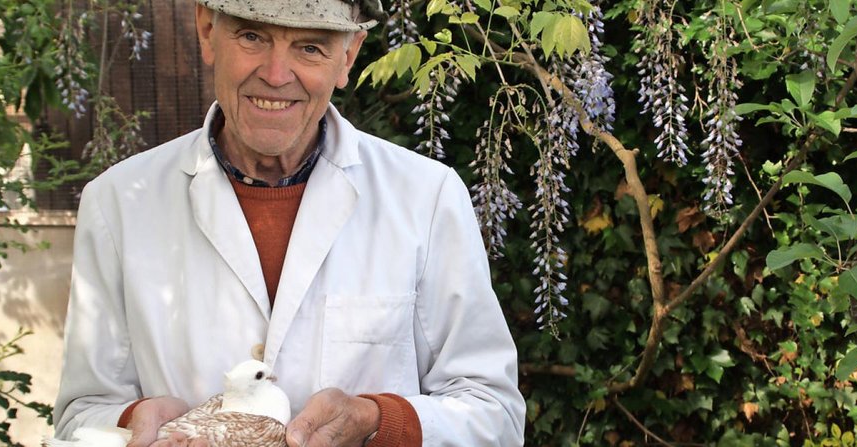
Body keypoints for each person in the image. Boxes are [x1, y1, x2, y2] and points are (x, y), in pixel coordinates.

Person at [52, 0, 525, 445]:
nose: (277, 75)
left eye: (310, 47)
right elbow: (81, 415)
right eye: (252, 36)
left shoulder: (426, 197)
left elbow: (494, 413)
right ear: (207, 31)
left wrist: (377, 421)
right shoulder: (118, 204)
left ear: (349, 56)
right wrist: (132, 422)